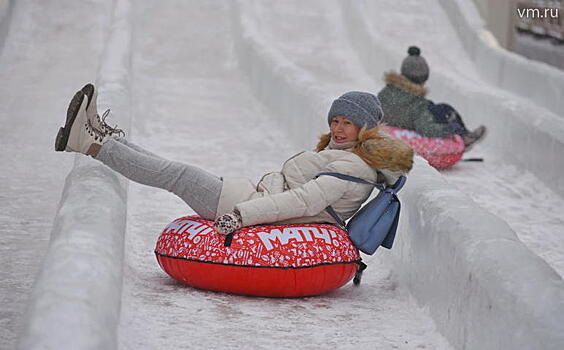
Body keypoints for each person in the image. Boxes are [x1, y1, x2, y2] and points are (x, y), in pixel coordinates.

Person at [55, 85, 413, 235]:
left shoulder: (352, 167)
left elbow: (303, 201)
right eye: (334, 120)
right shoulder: (345, 155)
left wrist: (241, 216)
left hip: (244, 204)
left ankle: (89, 144)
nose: (337, 128)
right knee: (176, 170)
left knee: (177, 174)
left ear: (363, 127)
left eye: (346, 122)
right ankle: (102, 136)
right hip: (247, 194)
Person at [378, 46, 486, 151]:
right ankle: (464, 136)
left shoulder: (385, 92)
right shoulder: (418, 104)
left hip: (393, 124)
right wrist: (449, 129)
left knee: (432, 106)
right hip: (409, 125)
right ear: (424, 79)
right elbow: (426, 128)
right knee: (444, 110)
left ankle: (465, 135)